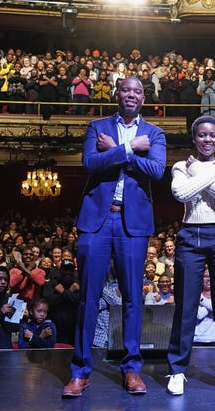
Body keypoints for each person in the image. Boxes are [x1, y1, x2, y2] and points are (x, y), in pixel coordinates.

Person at [63, 76, 166, 398]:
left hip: (132, 222)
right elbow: (90, 162)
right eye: (126, 90)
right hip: (97, 219)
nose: (131, 95)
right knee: (88, 298)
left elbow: (157, 171)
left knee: (133, 298)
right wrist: (130, 149)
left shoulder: (155, 133)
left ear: (143, 98)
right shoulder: (97, 126)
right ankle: (80, 372)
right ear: (116, 94)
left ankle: (132, 368)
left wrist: (120, 152)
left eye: (137, 91)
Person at [165, 114, 215, 396]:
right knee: (185, 307)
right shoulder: (179, 166)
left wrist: (198, 172)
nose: (207, 139)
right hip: (190, 236)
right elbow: (181, 194)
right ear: (194, 138)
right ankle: (177, 370)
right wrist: (211, 172)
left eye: (212, 135)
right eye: (201, 135)